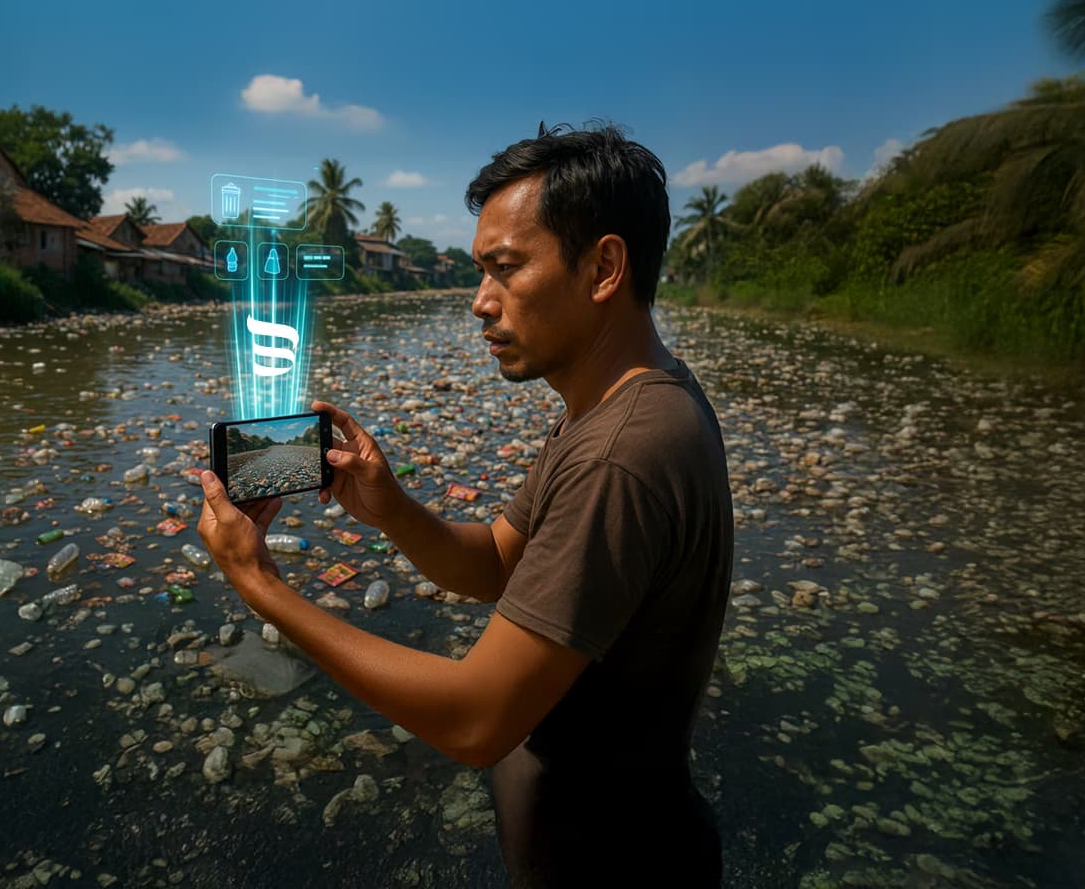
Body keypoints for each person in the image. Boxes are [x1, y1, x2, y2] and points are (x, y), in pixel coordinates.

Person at [197, 122, 733, 887]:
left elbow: (477, 720)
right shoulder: (620, 407)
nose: (480, 303)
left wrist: (262, 586)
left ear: (604, 267)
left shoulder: (622, 452)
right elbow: (497, 564)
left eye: (505, 269)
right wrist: (391, 509)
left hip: (614, 860)